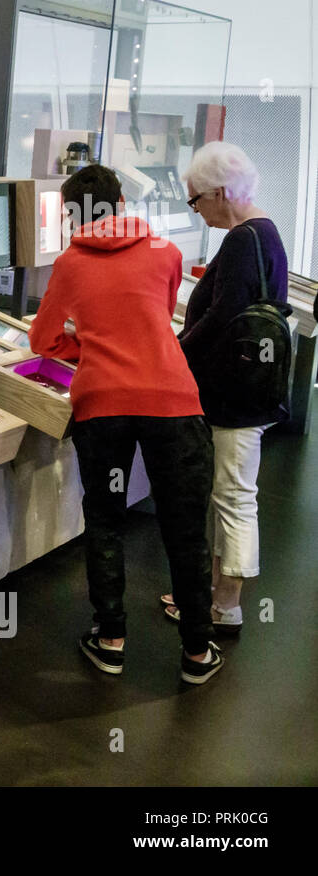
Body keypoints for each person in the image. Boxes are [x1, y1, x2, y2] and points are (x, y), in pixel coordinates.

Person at [29, 163, 223, 685]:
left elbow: (42, 341)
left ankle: (111, 639)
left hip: (104, 403)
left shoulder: (69, 263)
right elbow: (155, 322)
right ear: (120, 201)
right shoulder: (166, 252)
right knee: (184, 530)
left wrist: (86, 347)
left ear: (71, 211)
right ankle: (198, 652)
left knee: (106, 520)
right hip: (173, 400)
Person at [164, 142, 289, 636]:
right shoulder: (266, 231)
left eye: (196, 201)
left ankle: (225, 607)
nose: (196, 212)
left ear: (219, 192)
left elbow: (221, 316)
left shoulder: (242, 238)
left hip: (234, 396)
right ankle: (213, 593)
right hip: (247, 389)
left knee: (234, 497)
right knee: (227, 494)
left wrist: (174, 351)